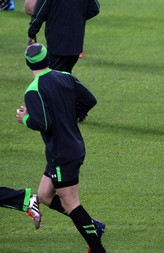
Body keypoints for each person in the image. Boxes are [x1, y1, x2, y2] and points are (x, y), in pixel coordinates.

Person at [16, 43, 107, 253]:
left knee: (71, 204)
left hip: (62, 153)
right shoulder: (65, 76)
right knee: (45, 195)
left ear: (28, 63)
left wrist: (25, 118)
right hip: (72, 146)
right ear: (48, 59)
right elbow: (89, 100)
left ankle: (98, 247)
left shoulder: (34, 89)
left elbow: (42, 123)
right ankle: (92, 226)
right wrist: (69, 116)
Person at [27, 0, 100, 73]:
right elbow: (94, 8)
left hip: (57, 43)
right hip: (75, 43)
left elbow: (39, 13)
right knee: (66, 75)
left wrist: (31, 33)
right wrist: (76, 18)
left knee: (54, 75)